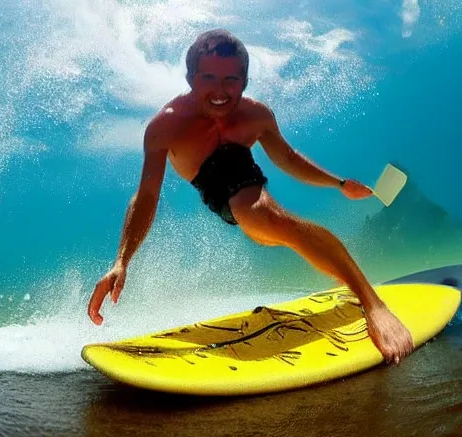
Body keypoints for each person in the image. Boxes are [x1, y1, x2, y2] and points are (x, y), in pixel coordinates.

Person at [87, 29, 414, 364]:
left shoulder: (256, 115)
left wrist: (340, 184)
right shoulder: (165, 127)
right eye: (208, 78)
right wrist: (121, 261)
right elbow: (147, 194)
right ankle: (343, 275)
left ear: (244, 79)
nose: (219, 90)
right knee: (266, 228)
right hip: (214, 191)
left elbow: (287, 158)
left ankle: (372, 303)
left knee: (266, 219)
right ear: (190, 78)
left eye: (231, 79)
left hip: (244, 181)